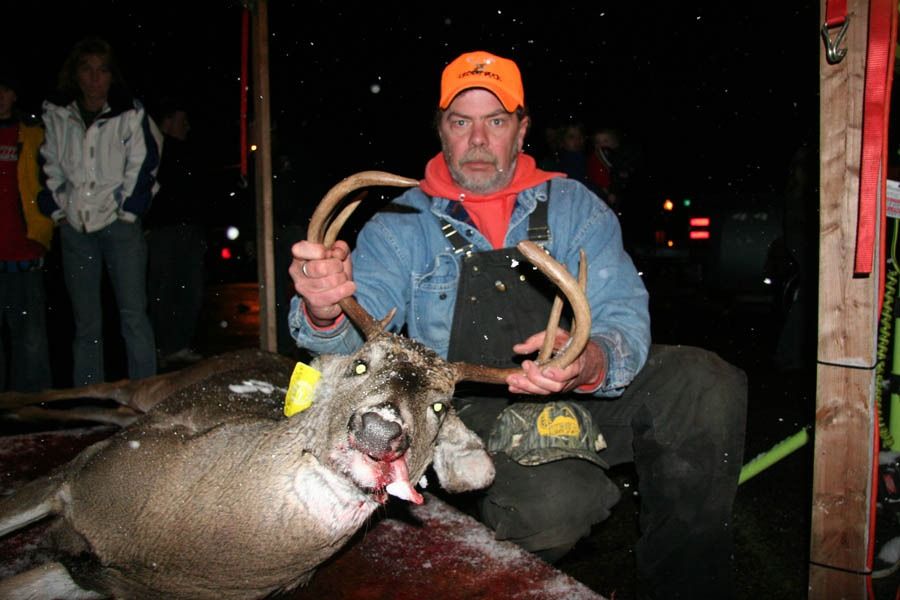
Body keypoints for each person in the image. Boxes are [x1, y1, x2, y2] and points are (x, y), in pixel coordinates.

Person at [288, 50, 747, 599]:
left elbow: (622, 311)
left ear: (522, 129)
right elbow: (353, 346)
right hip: (470, 407)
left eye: (496, 122)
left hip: (581, 388)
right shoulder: (400, 226)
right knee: (556, 507)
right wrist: (325, 307)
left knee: (704, 382)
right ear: (441, 130)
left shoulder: (576, 207)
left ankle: (686, 586)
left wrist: (590, 360)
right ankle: (480, 554)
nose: (478, 140)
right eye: (461, 123)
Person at [38, 37, 161, 386]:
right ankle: (89, 395)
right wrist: (60, 211)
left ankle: (145, 394)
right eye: (87, 70)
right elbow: (48, 165)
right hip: (76, 227)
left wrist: (128, 211)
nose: (94, 79)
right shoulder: (58, 114)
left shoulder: (129, 113)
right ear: (75, 74)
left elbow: (145, 163)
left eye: (102, 70)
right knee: (86, 322)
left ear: (111, 75)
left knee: (133, 315)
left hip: (120, 225)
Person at [0, 73, 54, 392]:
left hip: (26, 249)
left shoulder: (34, 135)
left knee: (31, 337)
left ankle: (31, 404)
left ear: (15, 94)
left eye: (5, 89)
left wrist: (45, 227)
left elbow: (52, 183)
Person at [145, 99, 205, 368]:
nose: (187, 126)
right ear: (167, 122)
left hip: (188, 229)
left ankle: (178, 345)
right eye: (182, 120)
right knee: (163, 289)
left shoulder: (189, 151)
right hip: (162, 230)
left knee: (189, 288)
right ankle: (162, 347)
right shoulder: (154, 149)